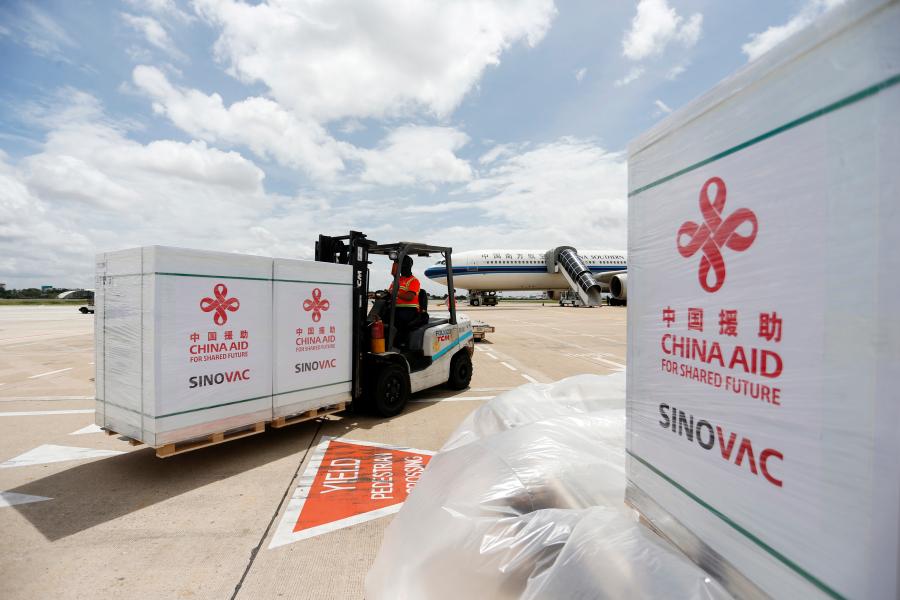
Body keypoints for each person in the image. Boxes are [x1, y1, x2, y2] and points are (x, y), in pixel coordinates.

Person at [387, 255, 421, 348]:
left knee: (398, 320)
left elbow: (410, 297)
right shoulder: (396, 280)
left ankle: (400, 343)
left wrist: (395, 293)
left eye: (404, 266)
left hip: (409, 310)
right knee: (381, 317)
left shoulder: (413, 281)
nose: (402, 269)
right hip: (396, 308)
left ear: (409, 267)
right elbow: (390, 292)